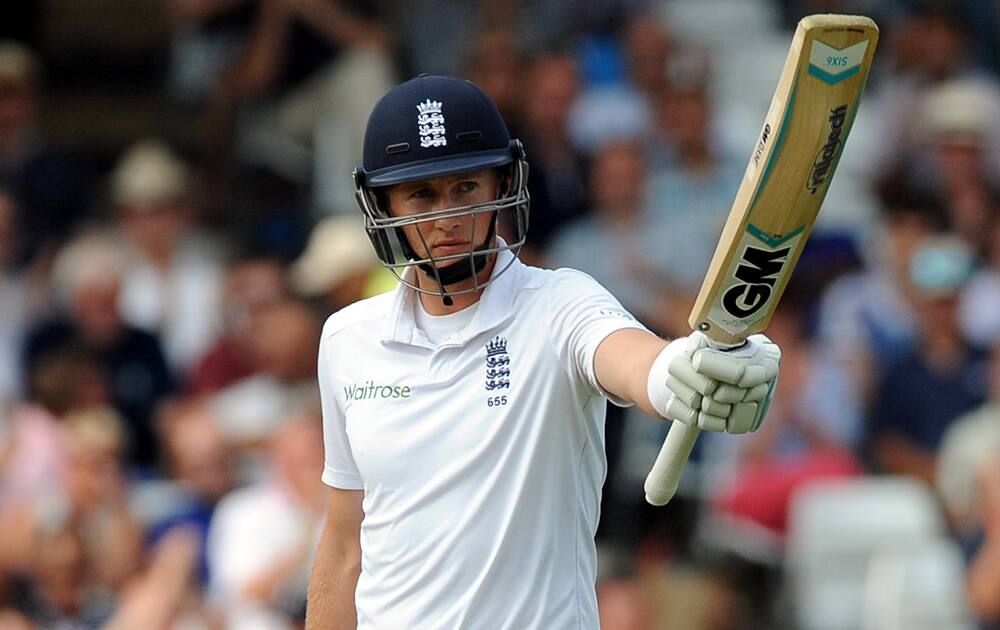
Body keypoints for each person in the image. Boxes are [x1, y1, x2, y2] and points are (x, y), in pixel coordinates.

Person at [305, 75, 781, 629]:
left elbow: (640, 365)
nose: (447, 217)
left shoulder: (560, 303)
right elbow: (344, 547)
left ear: (502, 184)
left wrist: (690, 367)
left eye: (466, 187)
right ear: (383, 203)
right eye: (422, 194)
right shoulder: (347, 339)